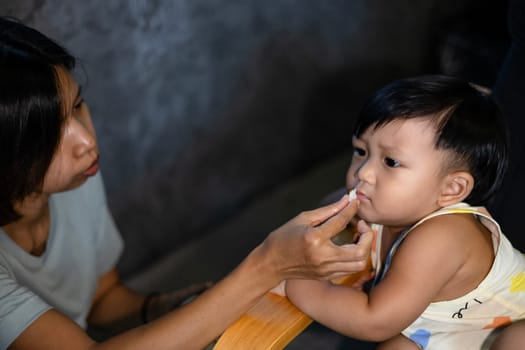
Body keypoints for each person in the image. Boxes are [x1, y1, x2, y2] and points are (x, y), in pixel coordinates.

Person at [0, 16, 374, 350]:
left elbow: (100, 298)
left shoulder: (73, 179)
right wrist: (268, 265)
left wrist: (163, 307)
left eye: (78, 106)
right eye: (48, 137)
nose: (86, 142)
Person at [281, 75, 525, 349]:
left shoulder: (444, 236)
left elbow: (375, 321)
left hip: (513, 320)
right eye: (361, 151)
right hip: (450, 330)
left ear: (451, 188)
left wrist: (299, 283)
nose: (365, 173)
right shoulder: (374, 205)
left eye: (391, 161)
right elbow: (325, 212)